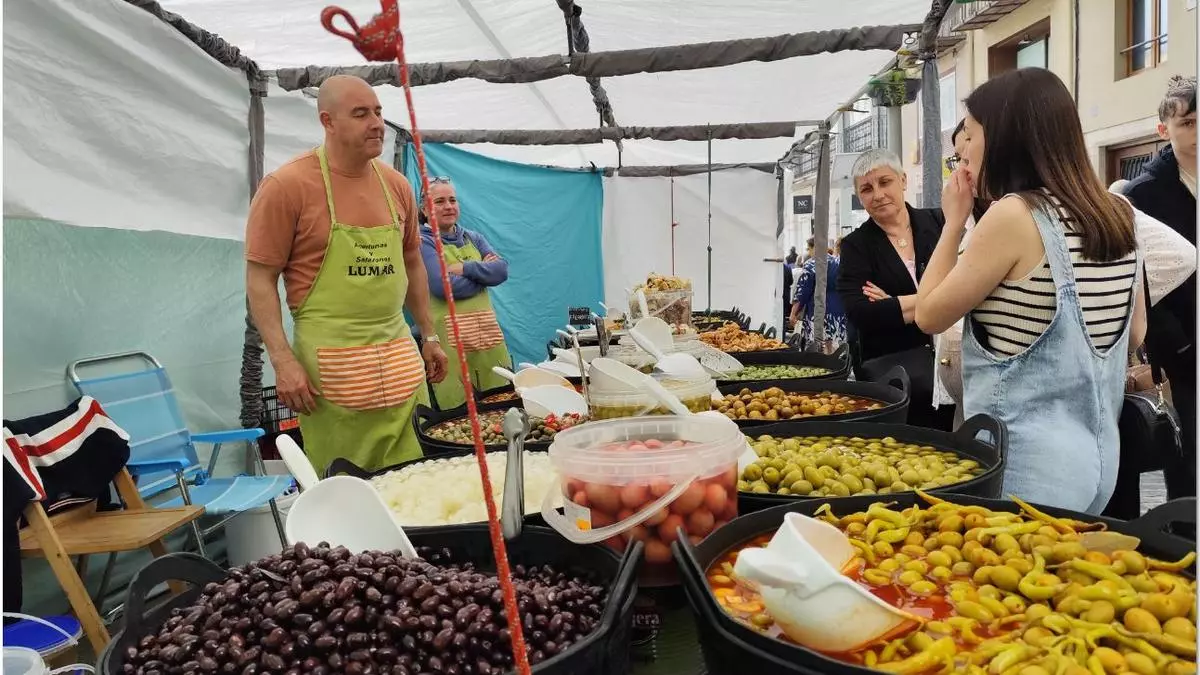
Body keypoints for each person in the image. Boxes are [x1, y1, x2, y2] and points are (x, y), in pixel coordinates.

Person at [916, 67, 1147, 514]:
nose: (964, 147)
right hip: (1100, 459)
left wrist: (953, 223)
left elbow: (929, 314)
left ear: (1005, 137)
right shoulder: (1118, 212)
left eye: (973, 133)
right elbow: (1135, 333)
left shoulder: (1014, 215)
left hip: (1022, 465)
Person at [245, 75, 448, 475]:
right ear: (328, 121)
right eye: (360, 114)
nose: (376, 123)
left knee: (418, 481)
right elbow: (259, 279)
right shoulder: (287, 186)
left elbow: (412, 262)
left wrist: (429, 334)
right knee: (348, 489)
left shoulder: (397, 187)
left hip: (399, 359)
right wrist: (283, 361)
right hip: (332, 371)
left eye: (377, 112)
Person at [1119, 75, 1197, 504]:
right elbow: (1141, 282)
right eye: (1188, 123)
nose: (1197, 133)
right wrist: (1178, 349)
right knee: (1188, 467)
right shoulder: (1143, 194)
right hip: (1183, 356)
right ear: (1163, 128)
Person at [836, 148, 954, 431]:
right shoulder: (856, 246)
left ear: (903, 180)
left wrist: (895, 303)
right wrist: (944, 299)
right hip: (898, 380)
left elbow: (974, 283)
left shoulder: (941, 222)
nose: (877, 194)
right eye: (866, 188)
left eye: (885, 182)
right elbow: (861, 313)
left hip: (956, 371)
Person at [418, 177, 513, 410]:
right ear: (424, 209)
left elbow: (501, 271)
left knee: (499, 409)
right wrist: (482, 277)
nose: (449, 206)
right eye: (439, 201)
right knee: (459, 419)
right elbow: (444, 288)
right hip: (449, 348)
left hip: (488, 343)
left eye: (452, 200)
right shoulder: (423, 242)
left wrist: (466, 269)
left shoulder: (473, 237)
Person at [790, 237, 847, 352]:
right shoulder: (838, 263)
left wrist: (793, 312)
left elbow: (802, 292)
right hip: (838, 308)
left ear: (814, 248)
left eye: (809, 249)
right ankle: (832, 359)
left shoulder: (811, 265)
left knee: (817, 344)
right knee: (831, 343)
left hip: (818, 309)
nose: (809, 252)